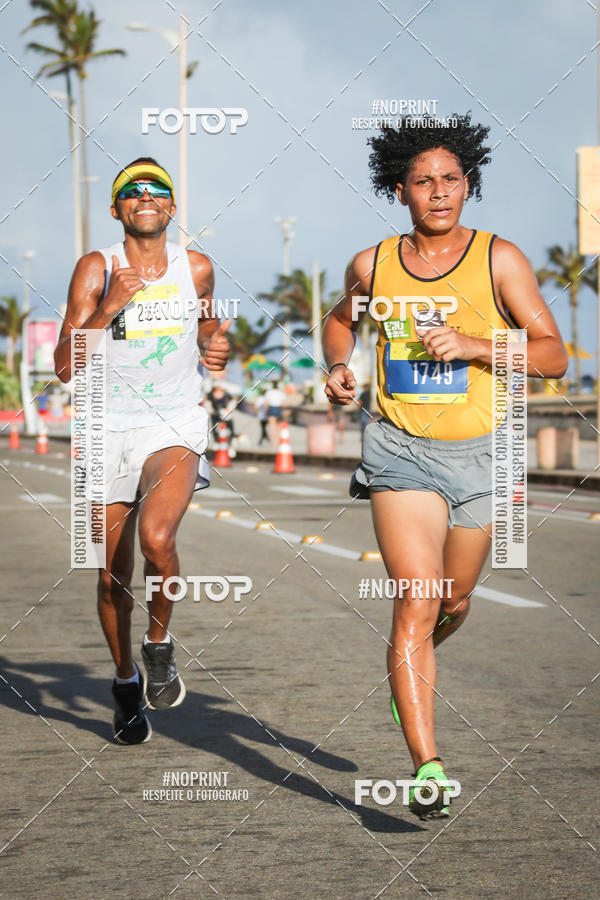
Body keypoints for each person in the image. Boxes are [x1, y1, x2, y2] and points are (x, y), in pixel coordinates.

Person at [322, 115, 567, 817]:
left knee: (453, 600)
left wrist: (473, 343)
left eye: (451, 179)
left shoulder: (500, 260)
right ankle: (427, 766)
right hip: (400, 450)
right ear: (399, 189)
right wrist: (339, 364)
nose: (438, 192)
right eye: (423, 181)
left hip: (483, 454)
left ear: (469, 185)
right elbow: (343, 318)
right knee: (419, 595)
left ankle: (413, 672)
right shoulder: (375, 263)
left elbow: (551, 356)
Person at [54, 157, 230, 744]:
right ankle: (126, 680)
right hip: (104, 429)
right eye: (133, 191)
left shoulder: (195, 267)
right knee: (112, 577)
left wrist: (214, 343)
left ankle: (157, 645)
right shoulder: (95, 268)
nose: (146, 197)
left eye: (158, 191)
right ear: (117, 208)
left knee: (158, 539)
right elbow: (62, 367)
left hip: (172, 424)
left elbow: (206, 325)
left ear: (172, 208)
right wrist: (107, 309)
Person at [263, 380, 285, 446]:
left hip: (271, 408)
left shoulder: (269, 392)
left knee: (272, 427)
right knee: (279, 427)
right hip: (278, 409)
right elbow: (283, 404)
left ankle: (272, 443)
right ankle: (277, 441)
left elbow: (266, 403)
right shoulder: (281, 393)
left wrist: (267, 411)